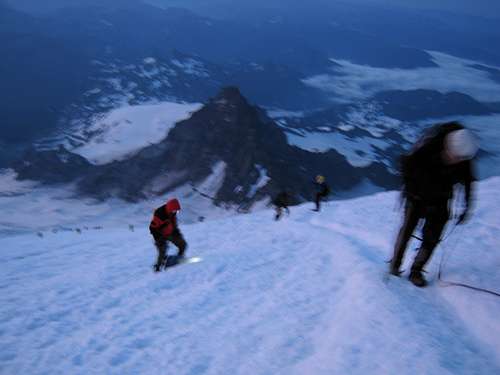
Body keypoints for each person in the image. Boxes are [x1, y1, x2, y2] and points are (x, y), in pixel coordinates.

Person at [390, 122, 478, 287]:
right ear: (447, 146)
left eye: (460, 159)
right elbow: (407, 166)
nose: (456, 161)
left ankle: (416, 270)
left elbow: (468, 182)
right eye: (455, 157)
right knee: (407, 231)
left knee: (432, 237)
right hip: (416, 195)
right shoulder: (429, 147)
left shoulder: (464, 158)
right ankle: (395, 265)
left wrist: (467, 206)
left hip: (441, 197)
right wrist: (411, 192)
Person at [149, 198, 187, 272]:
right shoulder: (159, 214)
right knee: (162, 251)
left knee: (183, 244)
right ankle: (157, 268)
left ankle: (178, 259)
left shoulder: (172, 213)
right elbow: (152, 228)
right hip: (160, 235)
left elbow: (174, 226)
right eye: (174, 210)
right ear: (170, 208)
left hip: (170, 233)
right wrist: (158, 240)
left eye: (177, 211)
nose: (175, 212)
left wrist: (177, 234)